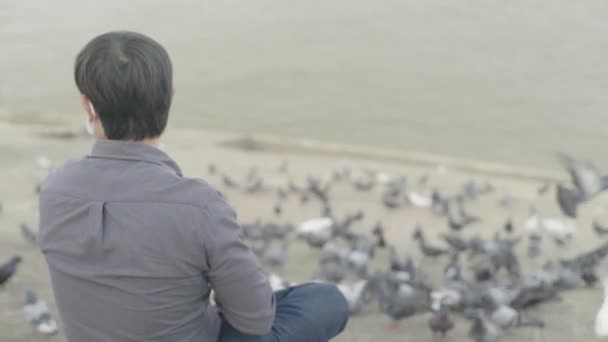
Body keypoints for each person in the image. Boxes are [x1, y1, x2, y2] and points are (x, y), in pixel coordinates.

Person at [38, 31, 349, 342]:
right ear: (169, 98)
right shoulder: (199, 206)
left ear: (88, 106)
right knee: (325, 299)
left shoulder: (54, 191)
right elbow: (255, 319)